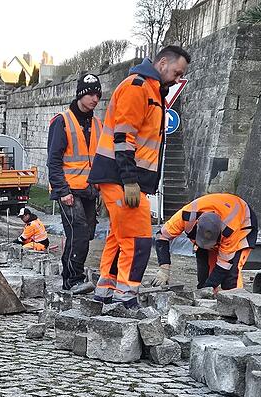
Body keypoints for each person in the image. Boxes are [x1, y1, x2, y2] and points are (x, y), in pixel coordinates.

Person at [88, 45, 191, 307]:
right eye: (177, 73)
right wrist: (130, 180)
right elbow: (124, 137)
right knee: (138, 239)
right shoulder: (138, 87)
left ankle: (106, 291)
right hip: (122, 178)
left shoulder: (151, 91)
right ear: (162, 63)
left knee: (119, 237)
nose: (178, 79)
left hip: (120, 178)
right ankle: (126, 297)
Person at [47, 73, 103, 293]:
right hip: (69, 190)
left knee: (85, 234)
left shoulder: (98, 124)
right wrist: (62, 191)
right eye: (91, 94)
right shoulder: (62, 121)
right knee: (78, 232)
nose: (95, 99)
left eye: (98, 95)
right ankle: (73, 279)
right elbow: (53, 160)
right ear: (80, 95)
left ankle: (70, 277)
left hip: (90, 189)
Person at [151, 193, 258, 291]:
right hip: (216, 218)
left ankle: (235, 301)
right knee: (204, 272)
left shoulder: (230, 231)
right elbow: (162, 236)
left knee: (230, 277)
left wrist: (208, 288)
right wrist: (164, 269)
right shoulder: (186, 215)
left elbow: (224, 263)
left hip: (243, 224)